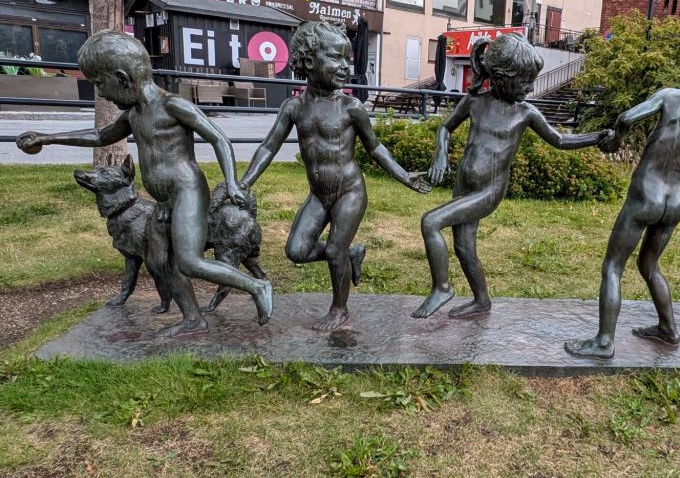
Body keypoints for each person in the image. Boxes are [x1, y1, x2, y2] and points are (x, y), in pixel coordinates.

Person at [17, 30, 272, 335]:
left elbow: (218, 138)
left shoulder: (172, 105)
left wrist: (230, 182)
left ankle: (257, 287)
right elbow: (100, 135)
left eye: (100, 84)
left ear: (122, 78)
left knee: (190, 262)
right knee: (160, 261)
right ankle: (193, 318)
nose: (101, 93)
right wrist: (47, 138)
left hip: (187, 192)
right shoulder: (133, 114)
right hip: (163, 201)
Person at [239, 21, 429, 332]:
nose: (345, 67)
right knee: (296, 251)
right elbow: (268, 147)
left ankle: (339, 309)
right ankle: (350, 253)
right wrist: (244, 182)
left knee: (333, 250)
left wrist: (404, 176)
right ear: (308, 61)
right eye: (336, 58)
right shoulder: (293, 107)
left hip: (349, 192)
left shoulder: (352, 107)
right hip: (319, 194)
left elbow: (376, 148)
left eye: (347, 59)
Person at [565, 59, 680, 359]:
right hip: (675, 203)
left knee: (613, 266)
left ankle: (604, 341)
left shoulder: (672, 97)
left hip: (646, 195)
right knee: (649, 265)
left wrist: (616, 141)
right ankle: (668, 329)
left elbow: (626, 118)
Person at [415, 33, 611, 319]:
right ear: (500, 77)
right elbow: (445, 127)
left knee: (431, 222)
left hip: (488, 191)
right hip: (464, 185)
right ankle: (482, 301)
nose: (530, 89)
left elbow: (560, 140)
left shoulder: (526, 113)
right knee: (464, 248)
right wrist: (441, 154)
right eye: (524, 82)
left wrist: (596, 137)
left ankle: (442, 288)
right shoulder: (475, 102)